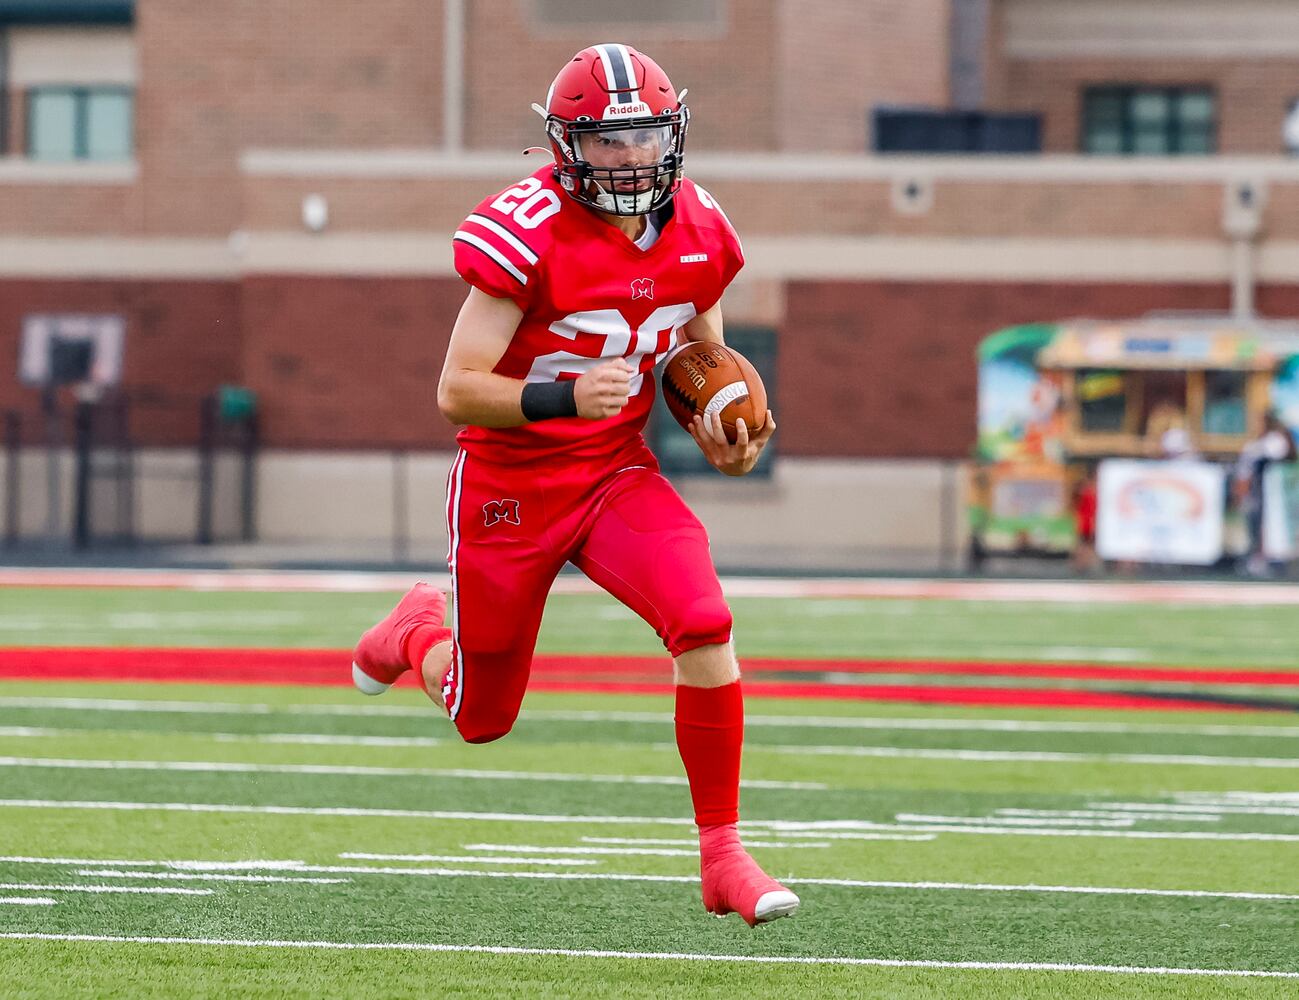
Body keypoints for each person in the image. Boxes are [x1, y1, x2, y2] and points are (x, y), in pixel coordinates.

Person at [350, 44, 795, 926]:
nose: (629, 158)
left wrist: (725, 439)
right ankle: (413, 629)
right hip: (509, 484)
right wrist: (555, 395)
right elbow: (454, 391)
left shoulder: (701, 229)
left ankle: (723, 856)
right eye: (607, 141)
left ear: (672, 137)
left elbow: (694, 360)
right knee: (481, 717)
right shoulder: (527, 232)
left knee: (704, 622)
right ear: (566, 147)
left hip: (616, 472)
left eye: (643, 137)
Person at [1233, 411, 1297, 576]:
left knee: (1270, 525)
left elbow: (1286, 456)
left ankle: (1276, 559)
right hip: (1260, 493)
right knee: (1257, 525)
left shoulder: (1276, 441)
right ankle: (1258, 559)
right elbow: (1245, 473)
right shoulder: (1256, 445)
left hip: (1276, 495)